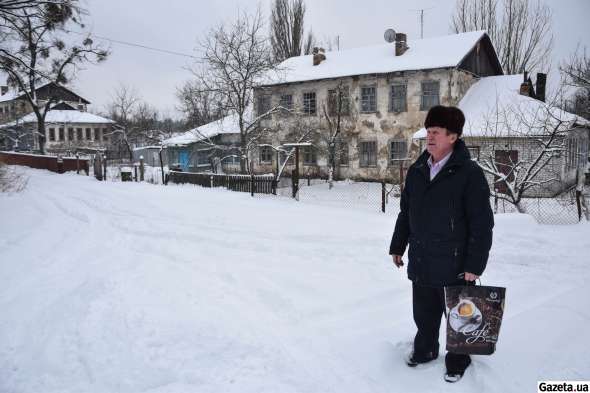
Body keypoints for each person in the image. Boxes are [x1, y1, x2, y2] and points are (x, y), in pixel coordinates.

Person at [389, 105, 494, 383]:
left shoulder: (469, 174)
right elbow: (406, 212)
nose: (430, 137)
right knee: (423, 313)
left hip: (455, 263)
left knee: (461, 316)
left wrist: (474, 264)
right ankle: (424, 350)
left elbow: (482, 223)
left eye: (436, 132)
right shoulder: (417, 170)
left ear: (453, 137)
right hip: (423, 259)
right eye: (428, 132)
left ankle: (458, 359)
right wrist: (398, 245)